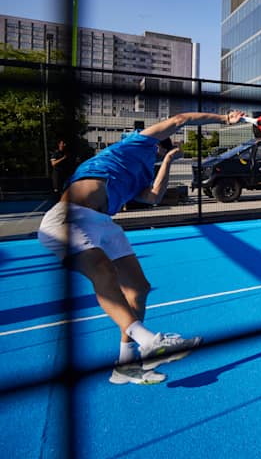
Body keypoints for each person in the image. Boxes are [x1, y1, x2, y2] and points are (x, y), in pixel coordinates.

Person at [38, 110, 246, 384]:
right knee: (102, 270)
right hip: (69, 217)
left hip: (104, 224)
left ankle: (125, 363)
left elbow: (153, 196)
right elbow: (179, 119)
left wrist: (168, 162)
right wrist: (223, 120)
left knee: (138, 288)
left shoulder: (145, 171)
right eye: (165, 146)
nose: (164, 148)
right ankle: (149, 342)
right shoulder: (133, 144)